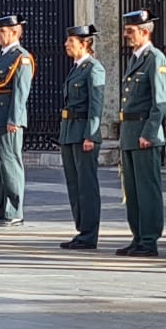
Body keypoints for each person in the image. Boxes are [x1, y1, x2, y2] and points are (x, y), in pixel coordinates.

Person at [117, 10, 166, 257]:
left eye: (131, 30)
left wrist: (149, 132)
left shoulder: (154, 58)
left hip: (144, 134)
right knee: (133, 190)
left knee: (147, 190)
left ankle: (149, 239)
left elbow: (159, 102)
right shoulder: (135, 57)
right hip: (130, 133)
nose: (126, 34)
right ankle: (138, 236)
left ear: (145, 31)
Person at [0, 15, 35, 227]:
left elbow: (20, 93)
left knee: (10, 165)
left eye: (1, 31)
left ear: (14, 32)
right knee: (0, 167)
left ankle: (14, 212)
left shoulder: (21, 58)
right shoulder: (2, 56)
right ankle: (4, 210)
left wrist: (15, 119)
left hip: (6, 120)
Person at [57, 24, 105, 250]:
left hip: (83, 133)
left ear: (85, 43)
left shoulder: (93, 69)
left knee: (86, 186)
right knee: (74, 185)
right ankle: (81, 229)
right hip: (69, 132)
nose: (67, 44)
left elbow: (96, 106)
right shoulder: (77, 68)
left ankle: (89, 233)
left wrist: (91, 135)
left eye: (71, 41)